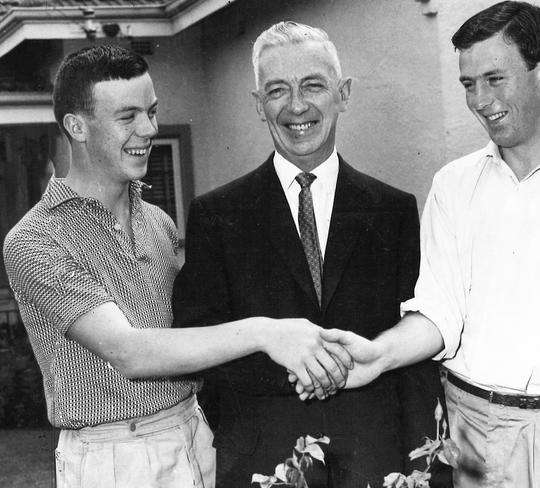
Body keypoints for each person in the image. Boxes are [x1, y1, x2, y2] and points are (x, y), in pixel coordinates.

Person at [312, 2, 540, 487]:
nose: (480, 100)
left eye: (495, 79)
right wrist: (378, 354)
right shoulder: (453, 185)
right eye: (469, 84)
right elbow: (439, 312)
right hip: (469, 430)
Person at [2, 44, 352, 488]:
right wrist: (268, 332)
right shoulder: (35, 240)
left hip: (195, 434)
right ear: (77, 126)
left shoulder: (158, 222)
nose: (148, 129)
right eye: (127, 117)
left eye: (151, 111)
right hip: (115, 458)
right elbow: (130, 352)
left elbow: (193, 337)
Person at [172, 21, 449, 488]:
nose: (296, 106)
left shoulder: (394, 210)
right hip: (262, 458)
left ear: (344, 93)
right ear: (258, 105)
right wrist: (300, 374)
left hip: (376, 459)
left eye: (313, 85)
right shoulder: (216, 215)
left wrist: (425, 468)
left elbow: (415, 347)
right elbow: (198, 341)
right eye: (277, 90)